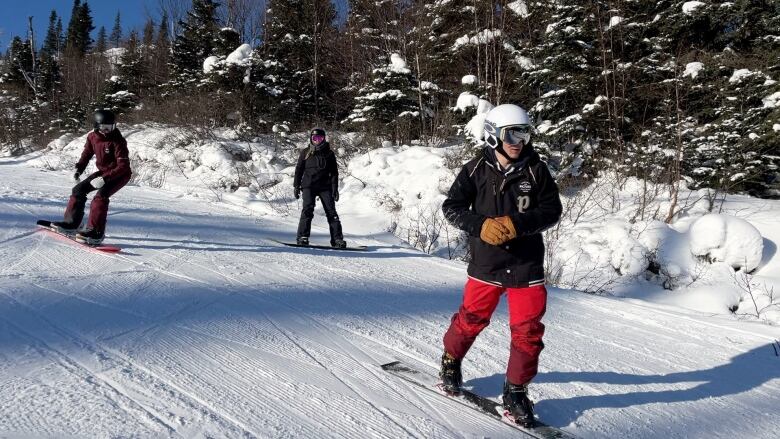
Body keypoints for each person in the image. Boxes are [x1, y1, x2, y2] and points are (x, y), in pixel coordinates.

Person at [439, 104, 562, 427]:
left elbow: (552, 210)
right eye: (512, 134)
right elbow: (451, 207)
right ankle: (452, 359)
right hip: (487, 263)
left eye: (524, 133)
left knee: (528, 332)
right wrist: (479, 225)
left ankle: (516, 390)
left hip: (526, 264)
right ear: (494, 134)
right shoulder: (475, 168)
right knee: (471, 320)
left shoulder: (536, 170)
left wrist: (520, 224)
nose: (519, 141)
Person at [50, 109, 132, 245]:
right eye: (104, 127)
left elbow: (123, 166)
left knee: (101, 197)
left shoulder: (118, 141)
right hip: (104, 172)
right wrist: (78, 169)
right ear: (96, 126)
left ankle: (96, 232)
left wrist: (104, 179)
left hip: (121, 174)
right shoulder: (92, 137)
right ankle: (71, 223)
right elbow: (86, 154)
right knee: (78, 190)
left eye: (110, 127)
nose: (107, 130)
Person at [293, 128, 346, 248]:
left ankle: (337, 239)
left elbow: (334, 173)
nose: (317, 140)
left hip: (325, 187)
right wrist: (296, 185)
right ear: (311, 138)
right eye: (315, 138)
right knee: (307, 210)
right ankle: (302, 237)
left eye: (320, 138)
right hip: (308, 185)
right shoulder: (305, 152)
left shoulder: (329, 153)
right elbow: (299, 170)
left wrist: (335, 188)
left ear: (324, 139)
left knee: (332, 213)